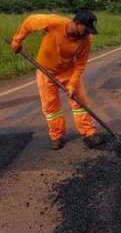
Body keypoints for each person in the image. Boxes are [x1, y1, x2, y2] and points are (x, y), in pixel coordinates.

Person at [11, 10, 104, 150]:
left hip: (68, 71)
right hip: (45, 70)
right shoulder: (55, 22)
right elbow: (30, 21)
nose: (88, 33)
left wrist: (72, 84)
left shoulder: (86, 40)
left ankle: (89, 133)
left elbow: (80, 64)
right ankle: (56, 135)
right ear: (77, 23)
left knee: (80, 102)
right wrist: (17, 41)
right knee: (51, 106)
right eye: (87, 29)